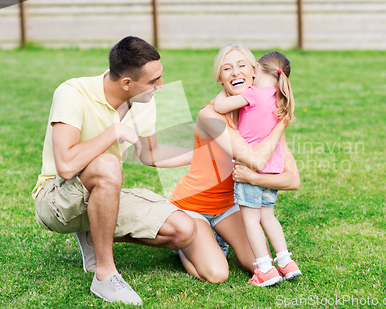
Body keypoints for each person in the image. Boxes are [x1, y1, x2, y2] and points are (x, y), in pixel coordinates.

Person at [32, 36, 196, 305]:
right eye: (153, 81)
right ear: (127, 83)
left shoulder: (143, 100)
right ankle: (105, 276)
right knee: (109, 164)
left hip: (102, 193)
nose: (161, 86)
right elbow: (65, 166)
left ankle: (93, 238)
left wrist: (208, 155)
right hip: (56, 201)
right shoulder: (72, 93)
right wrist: (114, 132)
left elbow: (152, 154)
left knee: (183, 231)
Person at [168, 44, 300, 283]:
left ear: (254, 71)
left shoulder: (267, 119)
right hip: (193, 205)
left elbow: (293, 179)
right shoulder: (210, 115)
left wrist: (256, 179)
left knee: (259, 262)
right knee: (218, 274)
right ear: (220, 78)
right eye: (227, 68)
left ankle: (215, 236)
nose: (235, 72)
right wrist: (282, 124)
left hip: (229, 206)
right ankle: (181, 245)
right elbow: (256, 159)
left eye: (241, 66)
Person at [213, 51, 301, 286]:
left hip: (250, 169)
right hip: (273, 170)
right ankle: (286, 262)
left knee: (250, 221)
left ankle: (265, 268)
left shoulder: (253, 94)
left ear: (257, 71)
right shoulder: (280, 97)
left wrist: (225, 86)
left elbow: (220, 106)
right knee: (269, 218)